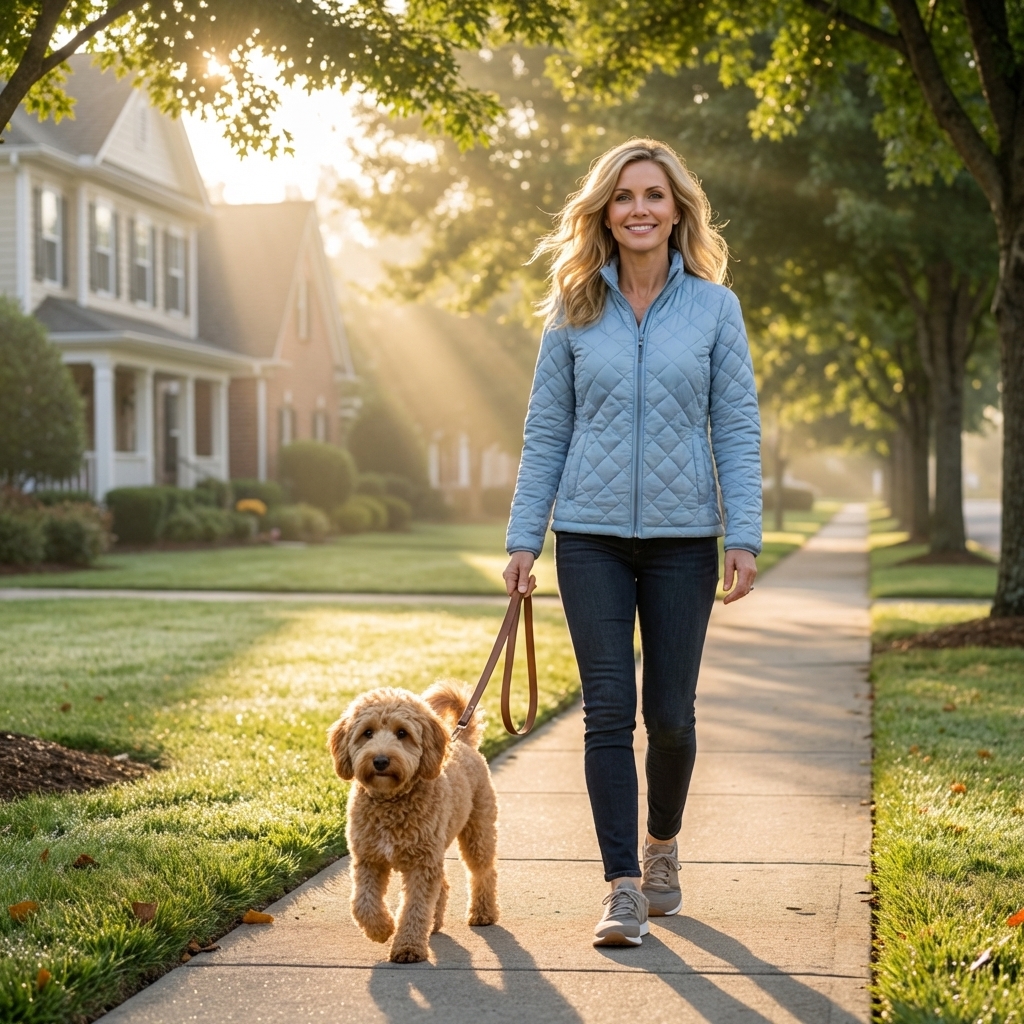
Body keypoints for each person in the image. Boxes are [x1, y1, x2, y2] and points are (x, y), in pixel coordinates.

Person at [503, 139, 761, 947]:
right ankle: (620, 886)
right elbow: (547, 429)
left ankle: (661, 849)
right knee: (608, 711)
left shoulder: (716, 308)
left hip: (686, 541)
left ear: (678, 208)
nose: (639, 209)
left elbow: (738, 427)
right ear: (603, 213)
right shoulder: (574, 304)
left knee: (672, 715)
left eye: (654, 194)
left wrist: (743, 535)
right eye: (623, 197)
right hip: (590, 539)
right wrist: (523, 539)